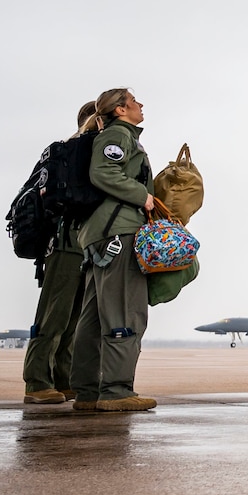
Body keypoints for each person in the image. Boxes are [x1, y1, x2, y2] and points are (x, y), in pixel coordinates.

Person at [71, 87, 160, 413]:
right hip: (119, 233)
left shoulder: (115, 134)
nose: (141, 105)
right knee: (125, 311)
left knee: (93, 318)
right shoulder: (119, 135)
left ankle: (87, 391)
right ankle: (117, 391)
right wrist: (142, 195)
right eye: (135, 101)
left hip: (100, 234)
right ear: (121, 109)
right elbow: (103, 171)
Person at [22, 100, 97, 405]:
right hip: (67, 240)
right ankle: (36, 380)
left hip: (84, 241)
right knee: (55, 314)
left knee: (74, 317)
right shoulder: (75, 151)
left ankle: (63, 379)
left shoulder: (78, 151)